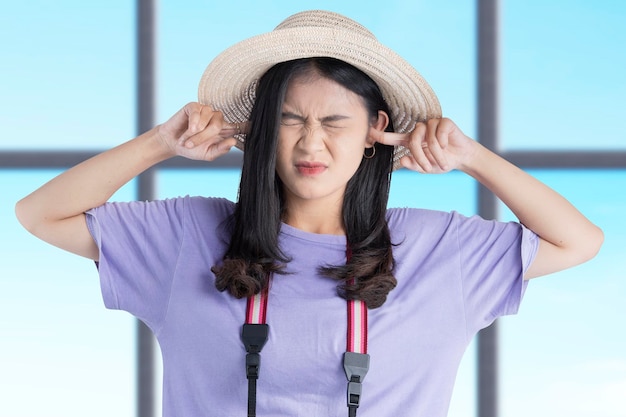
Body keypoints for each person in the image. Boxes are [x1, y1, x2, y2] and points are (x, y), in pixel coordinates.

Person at [15, 10, 603, 417]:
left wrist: (472, 158)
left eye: (334, 121)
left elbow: (578, 241)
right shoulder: (190, 234)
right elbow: (40, 215)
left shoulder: (438, 249)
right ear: (264, 129)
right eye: (291, 119)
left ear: (376, 130)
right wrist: (160, 144)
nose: (310, 144)